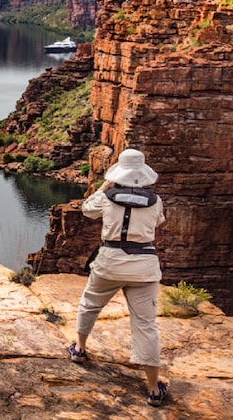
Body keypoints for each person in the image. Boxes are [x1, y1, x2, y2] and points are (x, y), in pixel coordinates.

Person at [68, 148, 169, 407]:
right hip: (145, 267)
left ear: (119, 174)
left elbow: (87, 210)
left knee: (90, 303)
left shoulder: (107, 197)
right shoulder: (155, 200)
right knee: (145, 325)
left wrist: (103, 188)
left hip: (109, 263)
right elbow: (159, 222)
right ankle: (153, 388)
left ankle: (79, 349)